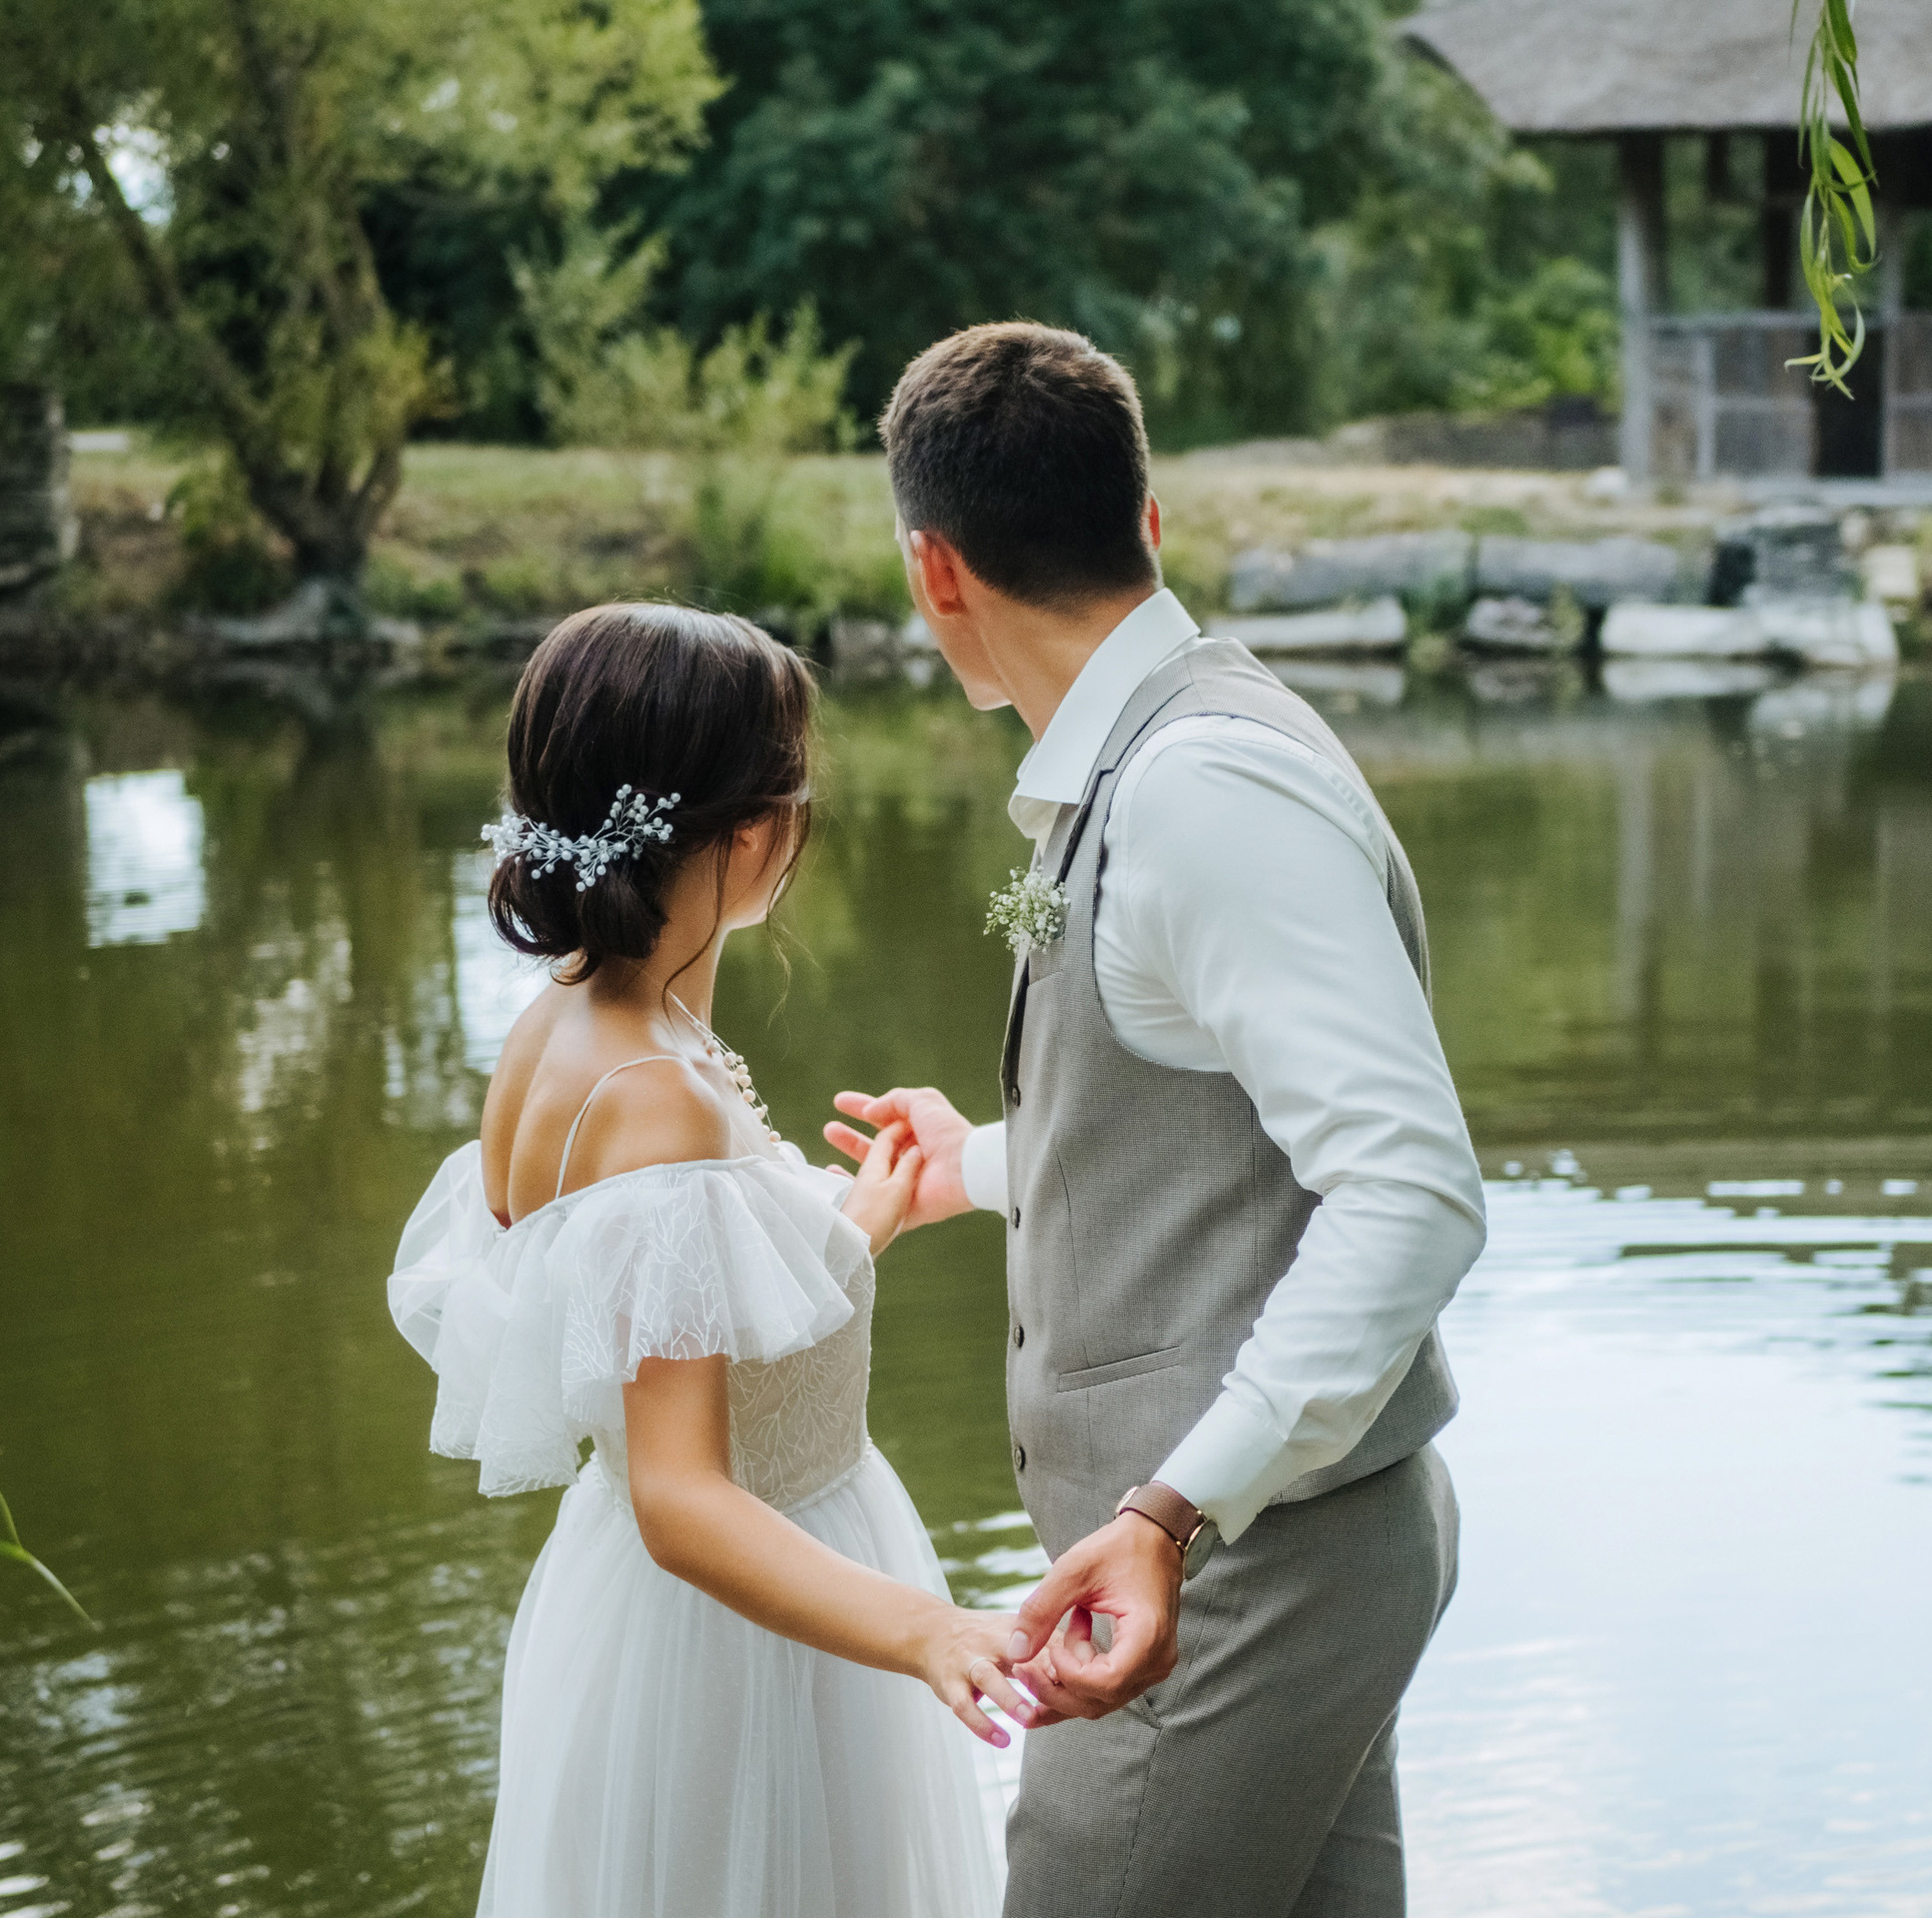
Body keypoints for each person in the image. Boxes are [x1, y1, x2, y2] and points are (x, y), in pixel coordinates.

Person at [826, 323, 1487, 1918]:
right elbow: (1204, 1126)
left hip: (1237, 1572)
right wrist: (982, 1165)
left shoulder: (1199, 789)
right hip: (1270, 1551)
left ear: (934, 572)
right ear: (1149, 521)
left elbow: (1411, 1194)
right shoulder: (1150, 760)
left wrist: (1169, 1512)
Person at [386, 603, 1040, 1918]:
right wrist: (929, 1629)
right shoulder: (655, 1097)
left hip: (633, 1602)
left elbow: (657, 1312)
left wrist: (853, 1227)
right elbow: (682, 1495)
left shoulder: (566, 1021)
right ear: (749, 832)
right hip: (753, 1640)